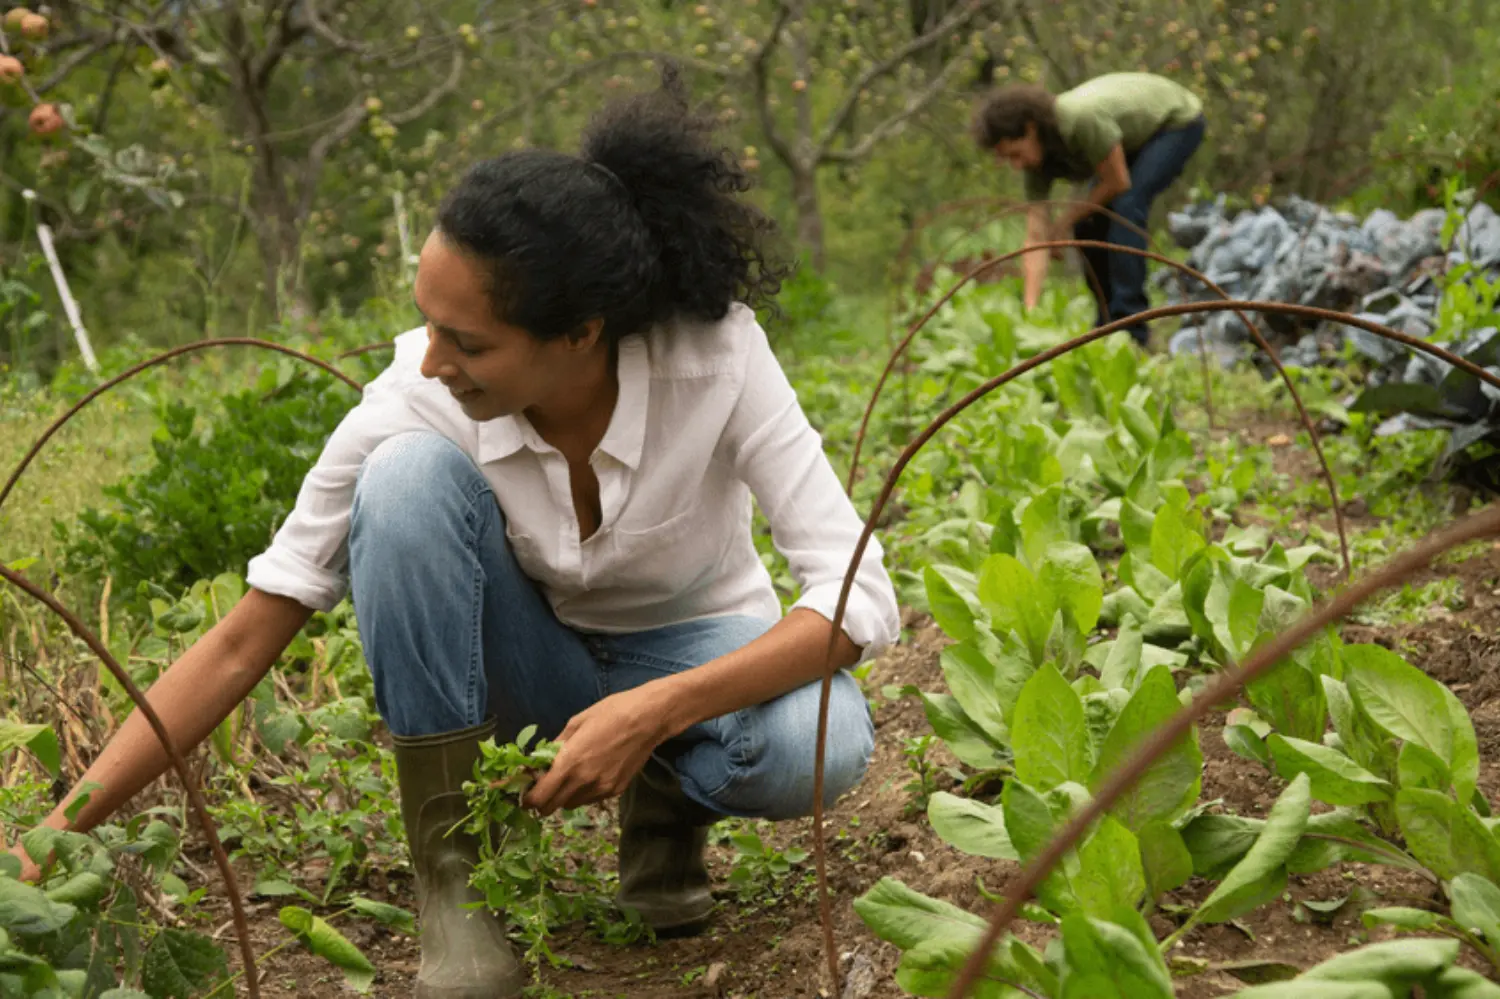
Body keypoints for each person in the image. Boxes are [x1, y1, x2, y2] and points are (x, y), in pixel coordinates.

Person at [9, 68, 898, 999]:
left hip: (691, 654)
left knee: (816, 742)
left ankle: (667, 801)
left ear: (581, 333)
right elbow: (242, 639)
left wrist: (655, 711)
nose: (433, 361)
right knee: (400, 480)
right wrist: (52, 835)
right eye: (429, 323)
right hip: (527, 663)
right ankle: (458, 888)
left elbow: (855, 591)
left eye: (467, 341)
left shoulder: (715, 358)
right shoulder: (416, 396)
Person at [972, 72, 1207, 346]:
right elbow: (1036, 239)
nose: (1016, 164)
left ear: (1031, 128)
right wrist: (1030, 310)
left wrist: (1061, 223)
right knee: (1087, 224)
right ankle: (1107, 323)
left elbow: (1117, 181)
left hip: (1175, 121)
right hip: (1127, 138)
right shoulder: (1035, 166)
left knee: (1126, 207)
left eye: (1015, 153)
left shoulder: (1079, 120)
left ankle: (1132, 328)